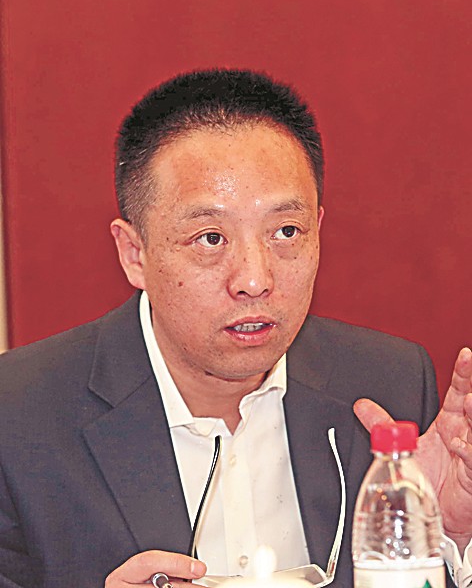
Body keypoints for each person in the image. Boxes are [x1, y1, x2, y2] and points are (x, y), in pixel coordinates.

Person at [0, 69, 470, 588]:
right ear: (134, 254)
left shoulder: (389, 384)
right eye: (210, 238)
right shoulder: (18, 416)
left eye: (285, 231)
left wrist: (448, 538)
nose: (254, 279)